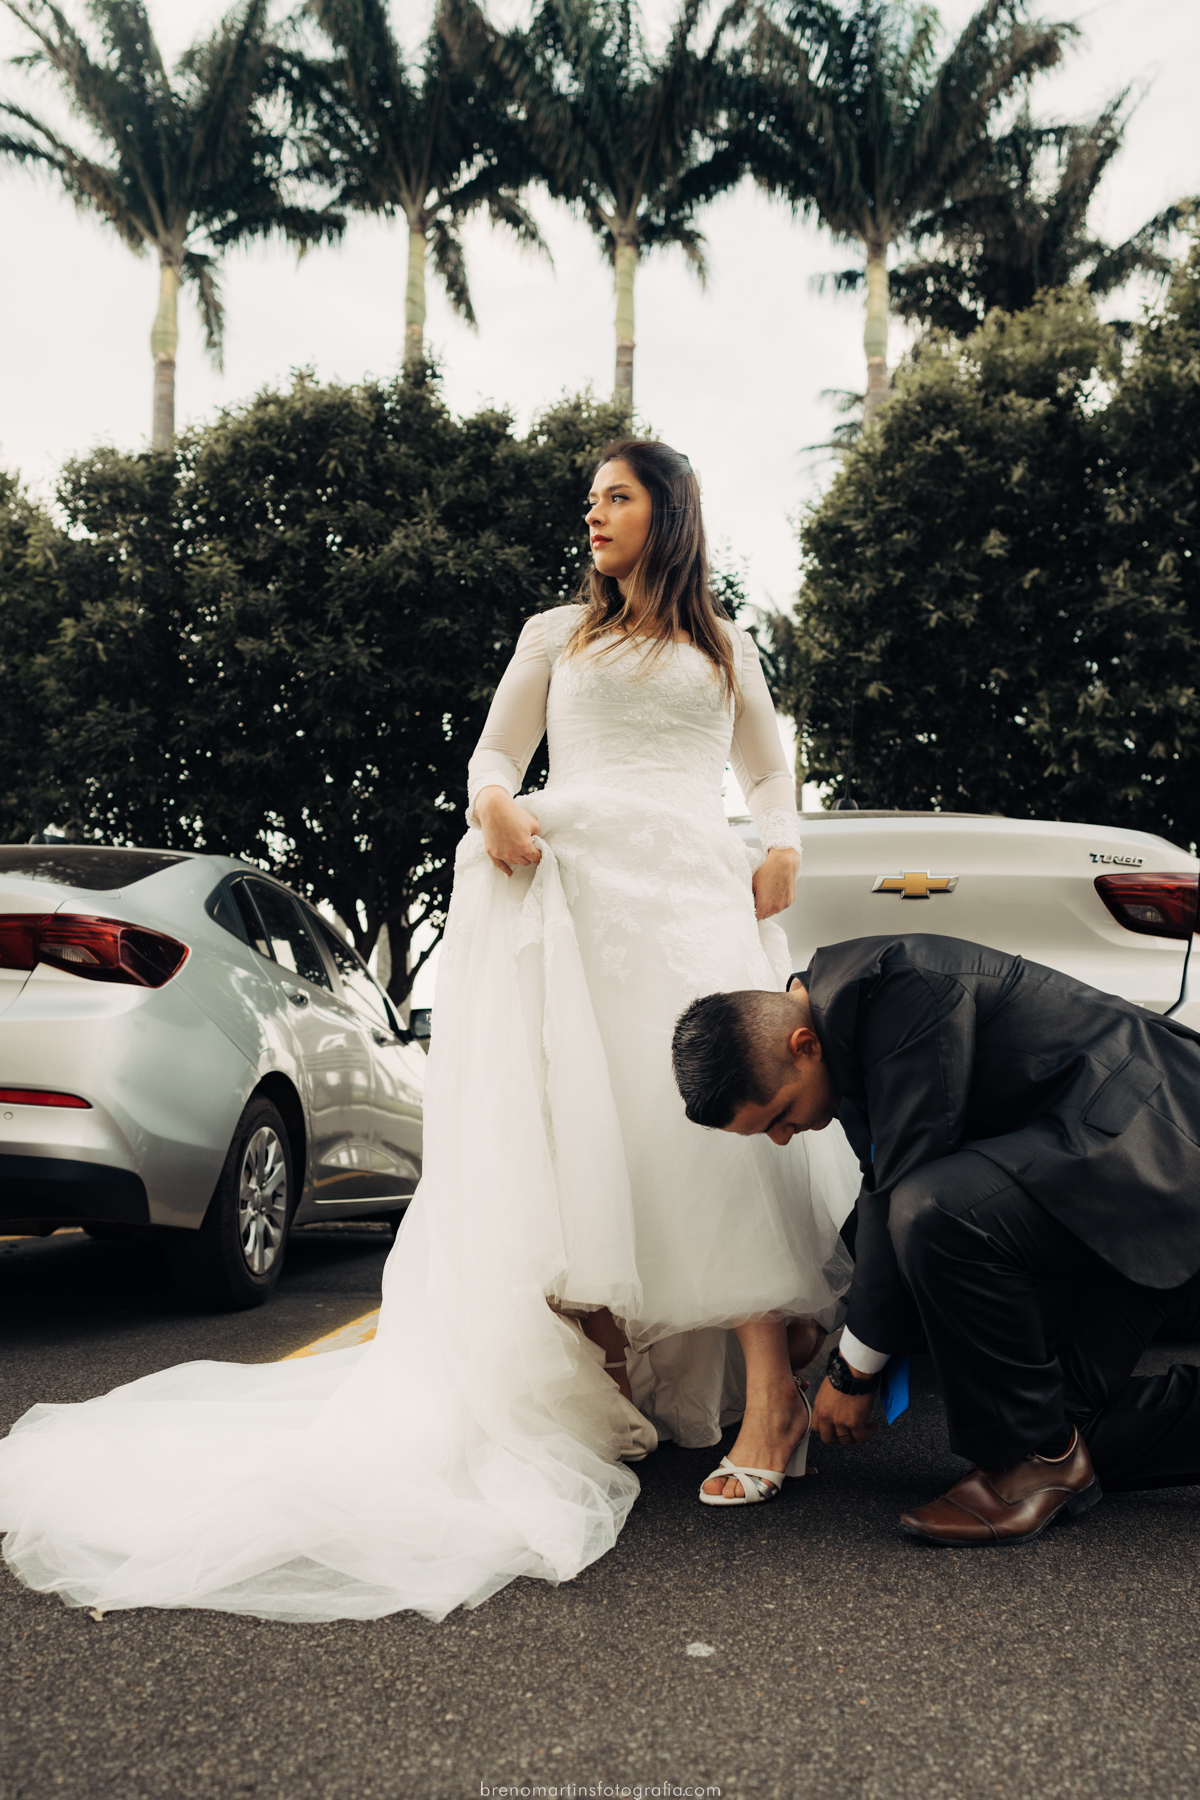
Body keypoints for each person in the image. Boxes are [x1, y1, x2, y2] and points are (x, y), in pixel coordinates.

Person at [0, 440, 857, 1623]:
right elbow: (497, 755)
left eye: (617, 496)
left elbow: (770, 773)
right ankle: (614, 1387)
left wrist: (782, 846)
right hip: (580, 898)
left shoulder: (725, 649)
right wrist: (497, 807)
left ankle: (772, 1396)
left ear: (670, 511)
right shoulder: (555, 635)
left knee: (709, 1137)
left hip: (690, 899)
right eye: (591, 499)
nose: (595, 514)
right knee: (583, 1140)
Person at [671, 933, 1200, 1545]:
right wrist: (833, 1322)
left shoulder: (899, 988)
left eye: (779, 1117)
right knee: (1051, 1423)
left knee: (936, 1209)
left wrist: (852, 1372)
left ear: (803, 1046)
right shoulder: (843, 1026)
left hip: (1160, 1160)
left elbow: (904, 1186)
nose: (785, 1138)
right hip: (1093, 1196)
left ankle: (1035, 1464)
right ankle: (1046, 1458)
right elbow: (880, 1188)